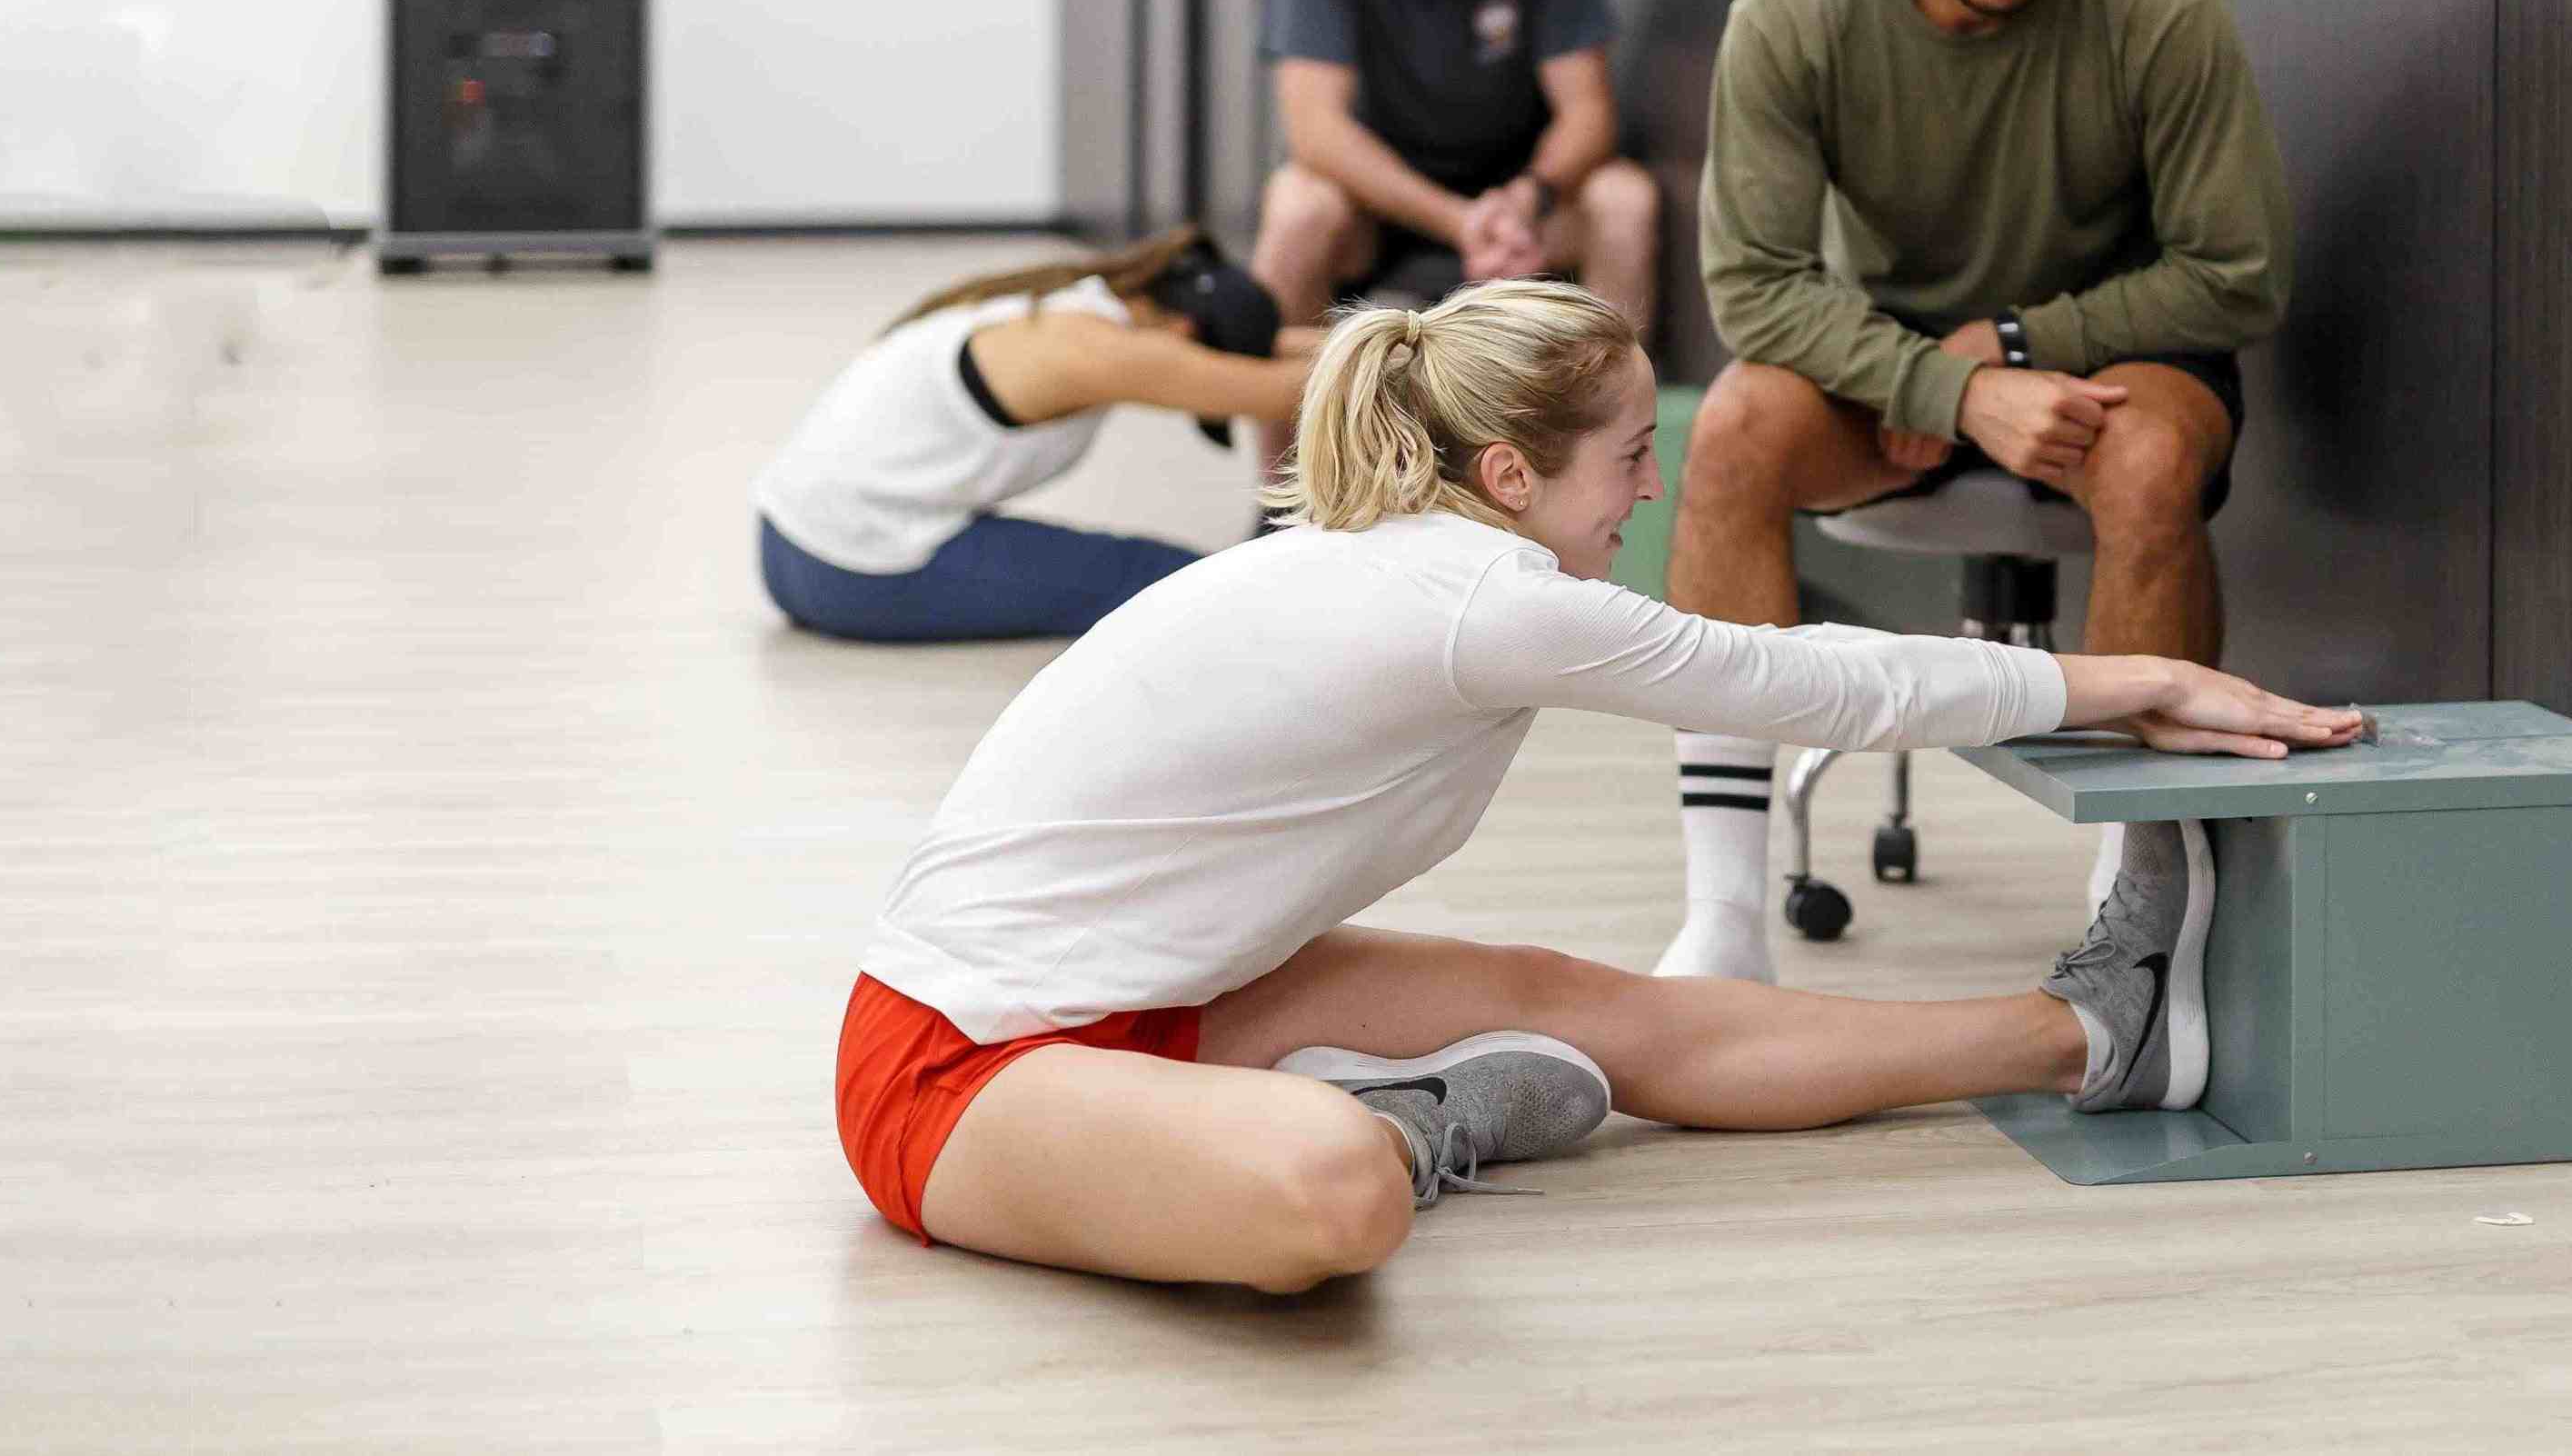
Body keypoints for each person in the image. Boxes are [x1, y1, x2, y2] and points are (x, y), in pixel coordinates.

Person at [834, 280, 2367, 1290]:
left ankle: (2091, 1035)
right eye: (1632, 456)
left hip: (1157, 1000)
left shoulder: (1426, 568)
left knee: (1566, 992)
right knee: (1333, 1201)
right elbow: (1827, 678)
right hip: (953, 1070)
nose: (1650, 488)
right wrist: (2139, 680)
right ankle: (1397, 1120)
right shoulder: (1476, 600)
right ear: (1510, 476)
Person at [1650, 0, 2298, 983]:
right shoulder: (1795, 10)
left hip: (2114, 365)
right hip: (1887, 371)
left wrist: (2010, 345)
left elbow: (2238, 273)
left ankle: (2139, 918)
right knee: (1731, 429)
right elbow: (1754, 288)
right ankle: (1724, 925)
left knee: (2156, 460)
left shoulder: (2163, 4)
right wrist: (1950, 388)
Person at [754, 231, 1313, 643]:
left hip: (791, 547)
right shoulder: (1098, 350)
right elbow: (1279, 389)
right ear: (1184, 333)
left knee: (1151, 575)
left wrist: (1385, 328)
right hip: (855, 570)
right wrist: (1395, 338)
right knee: (1173, 583)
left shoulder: (1065, 307)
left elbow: (1274, 358)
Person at [1254, 0, 1660, 357]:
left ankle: (1616, 428)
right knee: (1298, 208)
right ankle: (1291, 444)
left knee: (1625, 202)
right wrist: (1455, 219)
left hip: (1519, 205)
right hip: (1379, 203)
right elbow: (1315, 130)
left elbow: (1588, 112)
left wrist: (1526, 197)